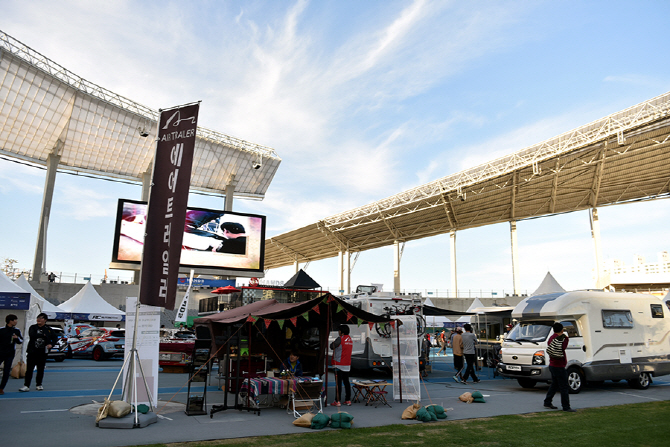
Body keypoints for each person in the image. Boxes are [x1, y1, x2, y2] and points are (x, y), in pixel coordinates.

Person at [19, 313, 57, 392]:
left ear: (45, 320)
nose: (39, 319)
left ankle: (39, 384)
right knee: (29, 369)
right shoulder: (33, 327)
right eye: (38, 318)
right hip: (32, 351)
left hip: (42, 352)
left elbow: (54, 338)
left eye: (41, 318)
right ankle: (26, 385)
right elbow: (32, 335)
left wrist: (51, 344)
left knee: (40, 369)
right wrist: (44, 335)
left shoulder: (48, 329)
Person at [543, 322, 576, 412]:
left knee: (554, 384)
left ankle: (547, 401)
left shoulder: (551, 338)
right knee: (564, 386)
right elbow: (563, 348)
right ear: (562, 330)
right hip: (560, 365)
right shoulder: (563, 339)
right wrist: (565, 337)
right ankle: (566, 406)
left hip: (552, 364)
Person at [330, 324, 352, 407]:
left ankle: (337, 400)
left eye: (339, 330)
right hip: (347, 364)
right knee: (346, 382)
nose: (338, 332)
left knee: (338, 383)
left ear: (342, 332)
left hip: (338, 364)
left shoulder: (340, 339)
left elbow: (332, 346)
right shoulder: (350, 339)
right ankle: (348, 400)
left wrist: (332, 343)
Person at [1, 314, 23, 395]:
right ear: (10, 321)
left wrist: (16, 338)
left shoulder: (16, 330)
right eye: (15, 320)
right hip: (1, 352)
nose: (16, 322)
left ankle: (1, 388)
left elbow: (21, 341)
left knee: (6, 371)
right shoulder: (1, 330)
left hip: (10, 353)